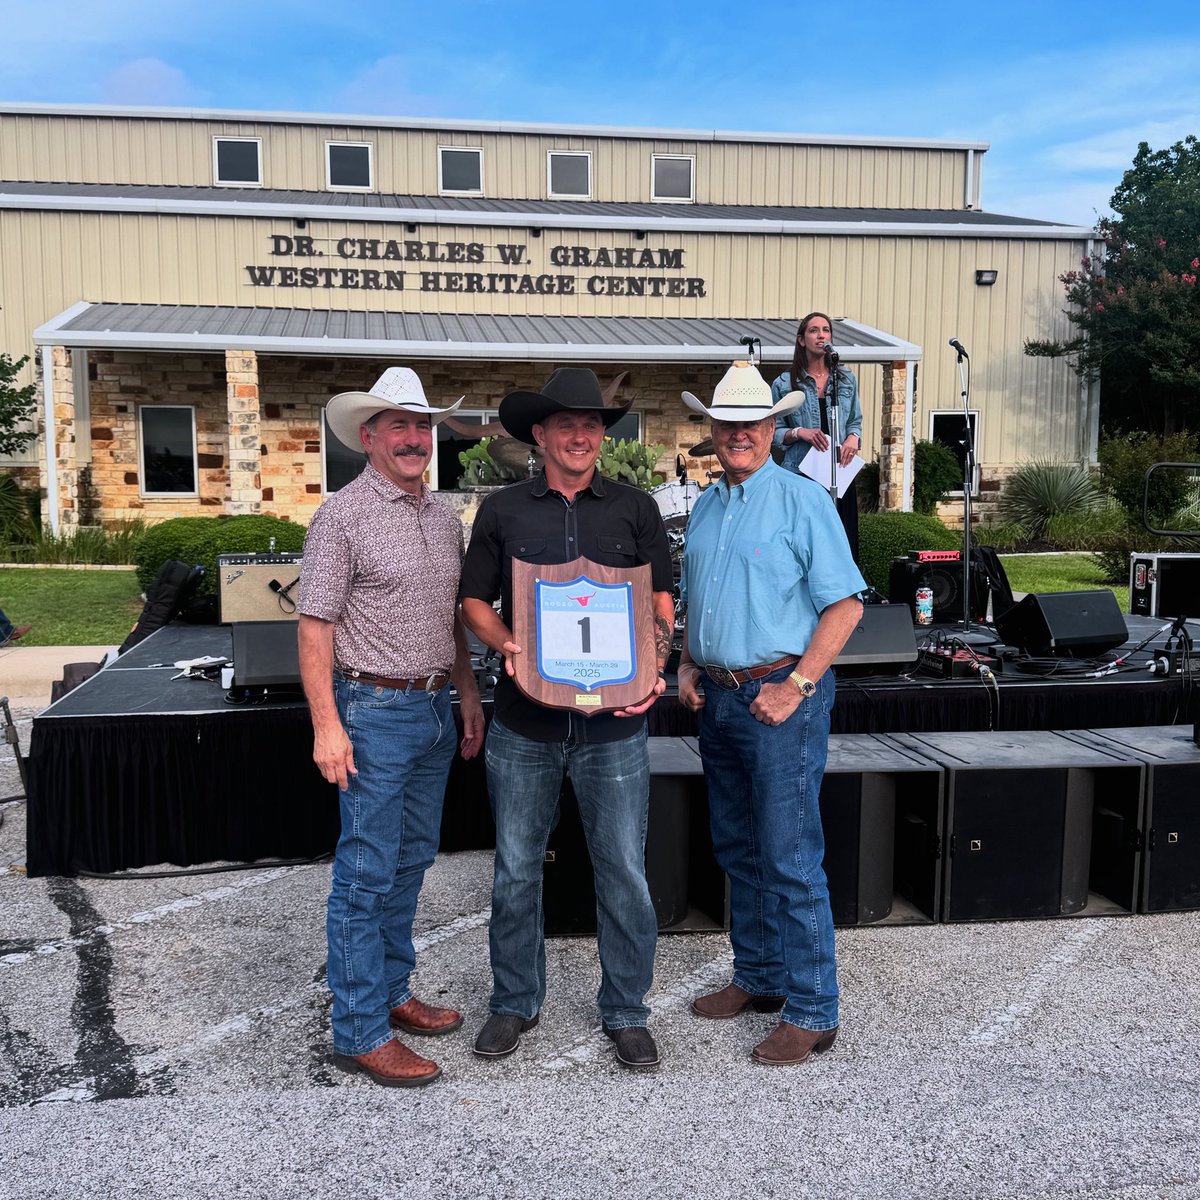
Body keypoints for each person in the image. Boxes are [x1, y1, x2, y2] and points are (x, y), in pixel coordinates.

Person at [459, 367, 675, 1071]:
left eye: (591, 424)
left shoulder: (636, 511)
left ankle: (627, 1010)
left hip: (615, 727)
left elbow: (661, 606)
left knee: (623, 873)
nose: (580, 435)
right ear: (541, 435)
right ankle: (515, 1002)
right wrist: (507, 645)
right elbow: (474, 605)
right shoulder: (504, 512)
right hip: (526, 726)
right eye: (566, 424)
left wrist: (657, 666)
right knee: (517, 871)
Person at [297, 366, 485, 1088]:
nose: (414, 438)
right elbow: (315, 631)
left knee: (410, 862)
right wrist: (327, 727)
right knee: (365, 874)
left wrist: (467, 691)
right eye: (398, 426)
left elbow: (453, 618)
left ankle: (392, 991)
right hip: (372, 714)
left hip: (436, 709)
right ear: (368, 437)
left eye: (422, 425)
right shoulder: (341, 516)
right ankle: (360, 1029)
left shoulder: (442, 516)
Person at [677, 360, 865, 1066]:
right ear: (714, 432)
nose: (739, 435)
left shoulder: (801, 500)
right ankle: (759, 977)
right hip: (720, 696)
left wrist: (800, 686)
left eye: (751, 424)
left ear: (772, 428)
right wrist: (689, 660)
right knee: (739, 847)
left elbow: (846, 605)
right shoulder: (708, 505)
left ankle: (814, 1009)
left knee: (788, 855)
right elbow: (703, 596)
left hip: (780, 695)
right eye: (727, 425)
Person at [771, 311, 864, 560]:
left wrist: (853, 438)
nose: (821, 335)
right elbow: (773, 432)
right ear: (801, 340)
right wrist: (801, 432)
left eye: (825, 330)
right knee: (806, 544)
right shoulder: (784, 383)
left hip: (839, 473)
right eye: (813, 330)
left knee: (842, 545)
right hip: (803, 473)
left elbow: (855, 421)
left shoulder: (846, 379)